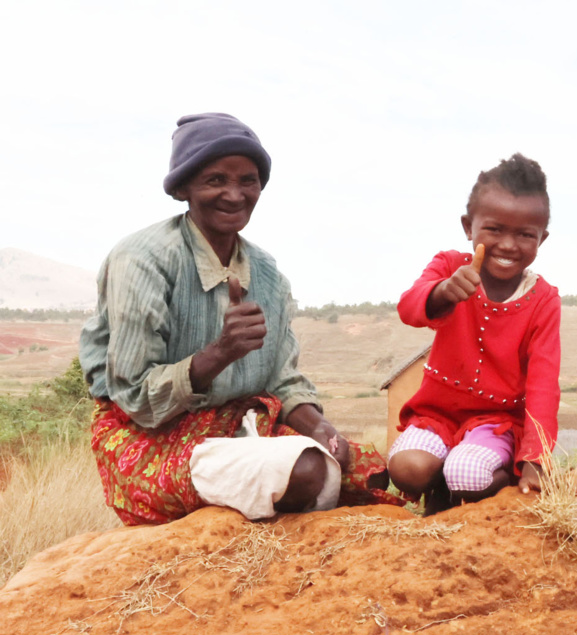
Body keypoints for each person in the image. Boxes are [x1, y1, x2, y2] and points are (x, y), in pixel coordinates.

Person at [80, 113, 395, 526]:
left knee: (367, 470)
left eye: (248, 180)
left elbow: (282, 381)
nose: (234, 194)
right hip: (147, 438)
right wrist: (221, 352)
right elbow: (135, 396)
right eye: (215, 180)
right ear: (181, 188)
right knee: (306, 471)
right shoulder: (142, 261)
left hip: (233, 427)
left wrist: (320, 428)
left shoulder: (266, 273)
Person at [388, 154, 560, 514]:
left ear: (541, 238)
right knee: (407, 468)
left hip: (495, 424)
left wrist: (535, 458)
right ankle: (439, 485)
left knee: (466, 475)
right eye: (494, 230)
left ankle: (483, 483)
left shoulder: (543, 299)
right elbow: (409, 308)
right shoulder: (450, 267)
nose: (509, 245)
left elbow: (543, 384)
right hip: (436, 416)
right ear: (469, 227)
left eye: (525, 234)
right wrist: (442, 292)